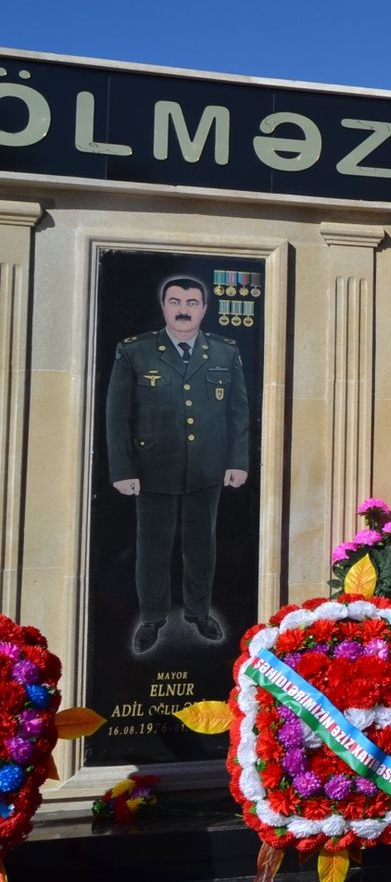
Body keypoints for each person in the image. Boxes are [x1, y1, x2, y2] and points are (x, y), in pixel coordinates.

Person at [105, 275, 249, 654]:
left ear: (204, 308)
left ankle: (198, 611)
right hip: (152, 467)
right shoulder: (135, 351)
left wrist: (238, 461)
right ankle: (152, 618)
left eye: (191, 302)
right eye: (175, 302)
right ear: (164, 307)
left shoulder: (223, 351)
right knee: (153, 546)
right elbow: (117, 415)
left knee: (201, 545)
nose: (183, 309)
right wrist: (122, 469)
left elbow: (238, 412)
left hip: (208, 466)